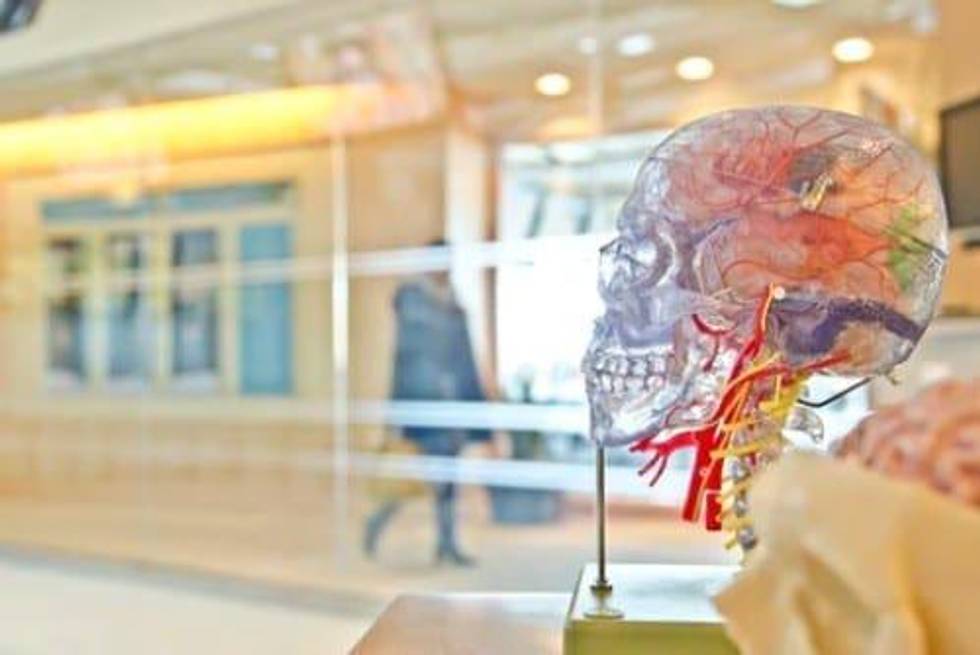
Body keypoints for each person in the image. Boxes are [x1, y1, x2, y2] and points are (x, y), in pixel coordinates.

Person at [363, 244, 490, 566]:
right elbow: (406, 361)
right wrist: (397, 414)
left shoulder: (452, 305)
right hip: (426, 409)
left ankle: (446, 543)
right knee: (418, 478)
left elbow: (465, 361)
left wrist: (474, 411)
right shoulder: (415, 302)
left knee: (446, 480)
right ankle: (379, 522)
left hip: (452, 411)